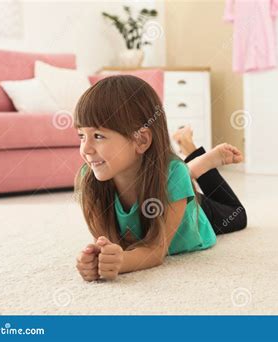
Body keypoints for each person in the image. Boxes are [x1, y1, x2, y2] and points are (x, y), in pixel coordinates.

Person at [74, 75, 247, 281]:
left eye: (99, 136)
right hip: (168, 184)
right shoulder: (89, 179)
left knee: (238, 215)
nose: (85, 149)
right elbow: (108, 244)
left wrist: (121, 263)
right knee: (176, 175)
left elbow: (155, 252)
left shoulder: (173, 175)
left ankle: (199, 159)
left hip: (192, 212)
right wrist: (98, 259)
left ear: (141, 140)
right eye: (81, 136)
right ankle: (191, 169)